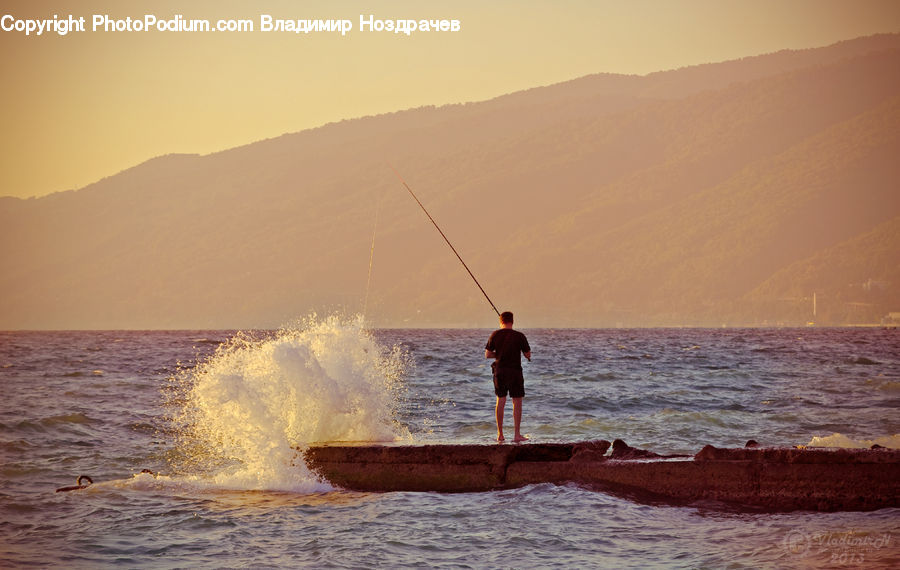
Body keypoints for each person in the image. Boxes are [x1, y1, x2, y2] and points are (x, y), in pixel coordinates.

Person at [484, 311, 531, 442]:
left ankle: (500, 435)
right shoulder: (519, 336)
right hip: (515, 372)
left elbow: (487, 355)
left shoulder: (495, 334)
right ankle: (517, 435)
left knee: (500, 401)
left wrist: (499, 355)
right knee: (517, 402)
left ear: (501, 322)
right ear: (512, 321)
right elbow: (528, 354)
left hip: (500, 372)